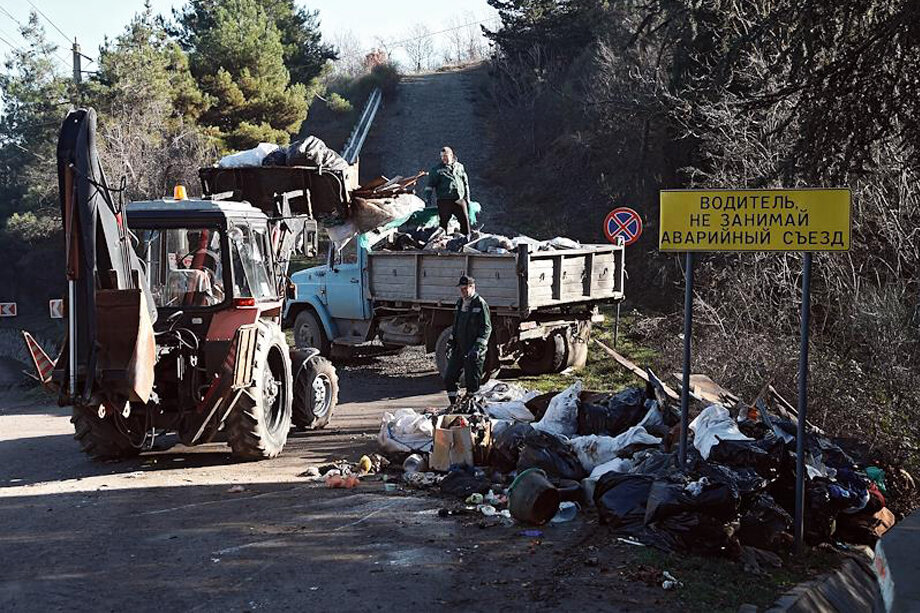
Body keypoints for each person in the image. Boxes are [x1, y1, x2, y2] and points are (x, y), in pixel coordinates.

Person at [444, 275, 492, 405]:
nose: (463, 291)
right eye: (461, 289)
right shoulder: (460, 303)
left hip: (473, 350)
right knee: (449, 377)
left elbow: (486, 328)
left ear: (473, 287)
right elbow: (456, 325)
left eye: (465, 289)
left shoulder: (480, 304)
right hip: (459, 348)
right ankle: (455, 403)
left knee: (472, 382)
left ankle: (472, 407)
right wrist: (450, 343)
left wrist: (478, 347)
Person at [425, 146, 472, 237]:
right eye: (442, 156)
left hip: (459, 200)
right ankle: (442, 244)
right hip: (444, 200)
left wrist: (467, 198)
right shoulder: (436, 170)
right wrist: (427, 198)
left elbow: (465, 183)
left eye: (445, 156)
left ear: (451, 155)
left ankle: (466, 241)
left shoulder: (459, 167)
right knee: (443, 223)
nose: (443, 158)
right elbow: (430, 186)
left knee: (465, 220)